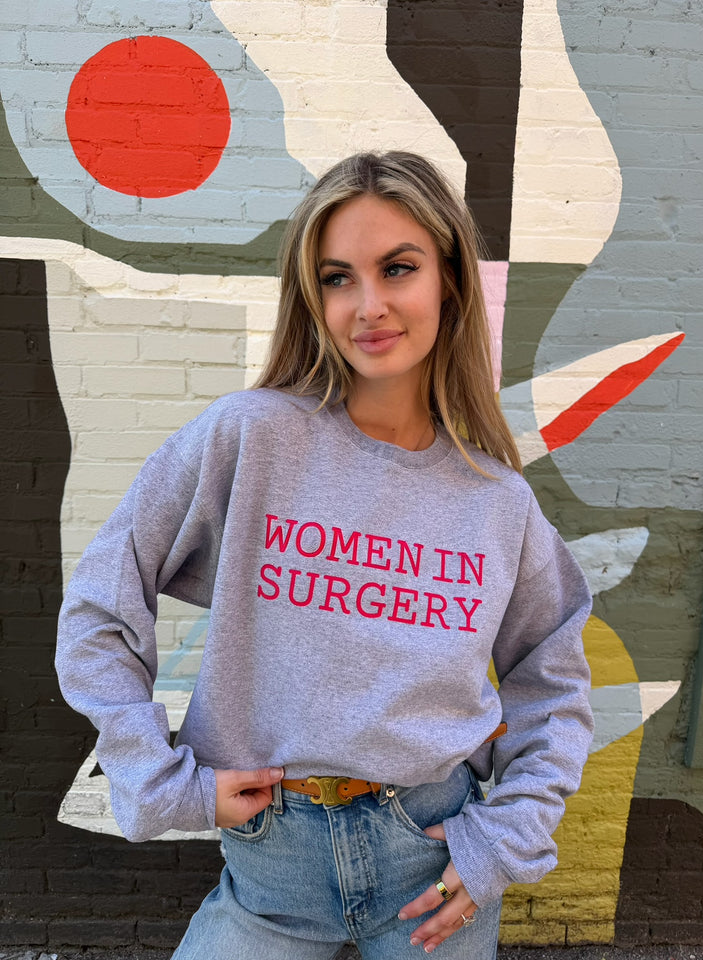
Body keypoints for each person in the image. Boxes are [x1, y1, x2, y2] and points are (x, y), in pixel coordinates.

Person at [56, 151, 594, 959]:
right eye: (338, 277)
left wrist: (497, 847)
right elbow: (101, 605)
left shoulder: (496, 500)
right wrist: (164, 783)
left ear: (448, 278)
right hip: (274, 865)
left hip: (433, 854)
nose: (368, 305)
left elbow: (552, 684)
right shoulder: (251, 437)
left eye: (398, 268)